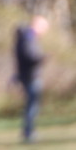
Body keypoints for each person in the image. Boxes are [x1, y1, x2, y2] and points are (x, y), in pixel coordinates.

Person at [14, 14, 49, 143]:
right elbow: (29, 55)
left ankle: (29, 131)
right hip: (30, 76)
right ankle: (29, 133)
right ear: (37, 26)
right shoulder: (28, 37)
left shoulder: (28, 36)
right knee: (32, 106)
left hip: (29, 75)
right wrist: (41, 58)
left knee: (32, 106)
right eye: (44, 28)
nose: (44, 31)